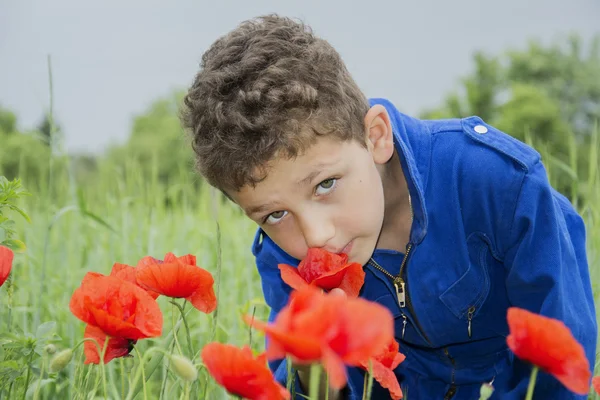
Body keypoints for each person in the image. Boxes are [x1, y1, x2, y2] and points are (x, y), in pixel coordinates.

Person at [180, 14, 597, 399]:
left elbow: (562, 355)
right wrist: (311, 359)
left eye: (325, 184)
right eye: (274, 214)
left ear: (376, 136)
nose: (316, 237)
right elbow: (297, 388)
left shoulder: (498, 182)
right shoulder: (282, 254)